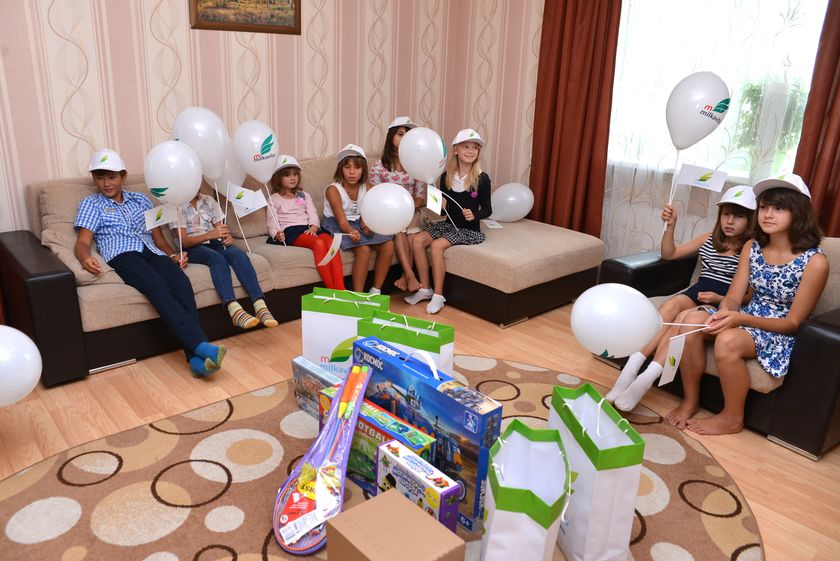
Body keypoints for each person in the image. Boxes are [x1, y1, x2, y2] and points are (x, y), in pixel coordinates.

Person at [667, 174, 828, 435]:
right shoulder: (752, 246)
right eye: (764, 207)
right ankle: (690, 400)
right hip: (744, 315)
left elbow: (792, 323)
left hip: (776, 330)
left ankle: (732, 418)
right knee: (692, 320)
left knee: (727, 340)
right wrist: (723, 313)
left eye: (779, 208)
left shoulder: (815, 262)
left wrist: (739, 319)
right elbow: (733, 297)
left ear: (798, 213)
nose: (768, 214)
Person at [73, 148, 226, 378]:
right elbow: (83, 242)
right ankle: (201, 347)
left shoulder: (141, 200)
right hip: (123, 255)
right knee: (156, 285)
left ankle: (195, 358)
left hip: (152, 251)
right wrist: (85, 257)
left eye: (112, 177)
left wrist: (172, 256)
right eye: (100, 177)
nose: (106, 183)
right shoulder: (91, 204)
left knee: (181, 282)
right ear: (94, 178)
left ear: (123, 176)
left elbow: (159, 240)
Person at [606, 186, 756, 410]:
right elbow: (670, 254)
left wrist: (719, 297)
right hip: (699, 290)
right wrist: (671, 226)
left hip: (723, 300)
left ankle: (646, 379)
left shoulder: (752, 249)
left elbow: (748, 297)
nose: (730, 221)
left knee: (681, 321)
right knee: (672, 305)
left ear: (750, 220)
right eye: (726, 214)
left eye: (739, 216)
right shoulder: (709, 238)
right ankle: (630, 370)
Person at [404, 128, 491, 314]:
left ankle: (438, 296)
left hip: (468, 230)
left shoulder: (482, 178)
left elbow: (488, 209)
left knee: (437, 246)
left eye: (475, 148)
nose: (471, 151)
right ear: (456, 150)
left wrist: (475, 215)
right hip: (449, 225)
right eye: (466, 147)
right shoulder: (446, 176)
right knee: (417, 240)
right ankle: (425, 289)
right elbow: (443, 210)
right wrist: (441, 205)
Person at [175, 192, 277, 330]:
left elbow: (221, 228)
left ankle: (260, 306)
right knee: (217, 258)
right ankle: (234, 309)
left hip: (215, 242)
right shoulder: (176, 205)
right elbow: (185, 242)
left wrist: (228, 237)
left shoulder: (208, 200)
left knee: (239, 255)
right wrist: (209, 235)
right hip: (194, 247)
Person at [322, 144, 394, 293]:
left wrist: (368, 224)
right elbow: (342, 221)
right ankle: (358, 295)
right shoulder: (333, 190)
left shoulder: (368, 187)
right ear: (340, 169)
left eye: (357, 167)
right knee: (363, 249)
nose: (352, 172)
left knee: (388, 245)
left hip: (358, 222)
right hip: (338, 224)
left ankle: (375, 290)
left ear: (363, 170)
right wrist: (352, 231)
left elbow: (370, 212)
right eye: (347, 167)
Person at [266, 155, 346, 290]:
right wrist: (276, 234)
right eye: (287, 175)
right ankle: (333, 290)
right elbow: (271, 222)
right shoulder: (274, 199)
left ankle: (340, 289)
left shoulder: (304, 195)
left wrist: (314, 227)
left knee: (331, 242)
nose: (292, 178)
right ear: (278, 178)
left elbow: (312, 213)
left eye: (295, 174)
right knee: (318, 243)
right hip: (290, 231)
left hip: (308, 228)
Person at [369, 117, 426, 292]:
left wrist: (407, 207)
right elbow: (373, 196)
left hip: (411, 210)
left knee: (411, 229)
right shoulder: (379, 166)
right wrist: (397, 210)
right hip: (387, 212)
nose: (405, 138)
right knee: (399, 227)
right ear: (391, 137)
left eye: (408, 135)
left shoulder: (416, 165)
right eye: (400, 134)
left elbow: (420, 197)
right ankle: (409, 274)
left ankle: (405, 275)